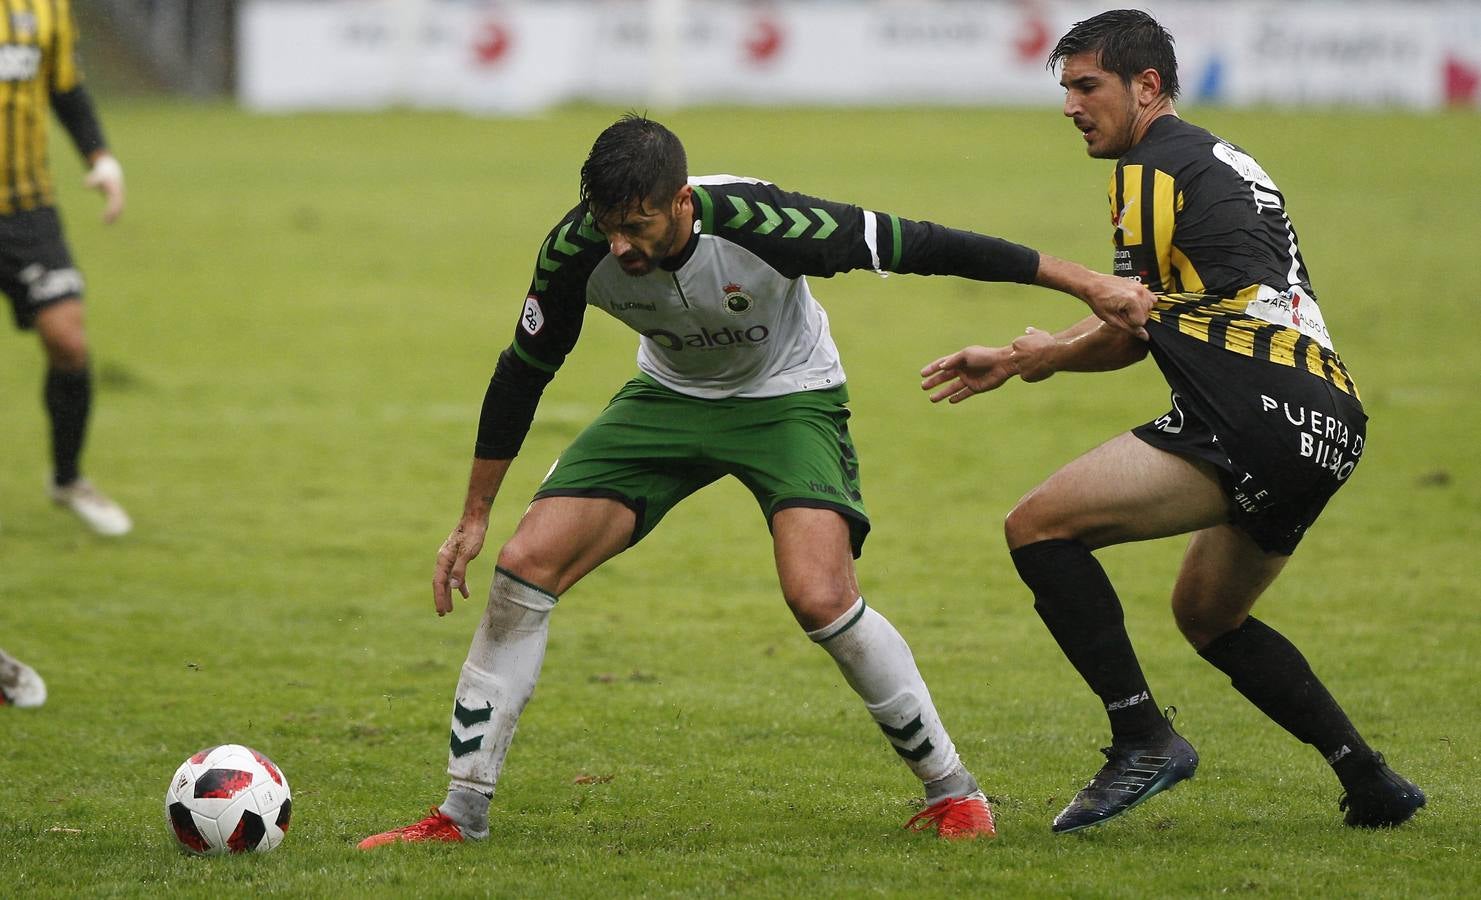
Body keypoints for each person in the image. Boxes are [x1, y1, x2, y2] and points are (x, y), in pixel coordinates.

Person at [359, 114, 1154, 848]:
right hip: (667, 398)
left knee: (818, 595)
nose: (621, 247)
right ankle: (461, 814)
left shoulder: (769, 223)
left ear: (678, 201)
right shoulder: (575, 252)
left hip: (788, 399)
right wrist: (473, 515)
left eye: (636, 227)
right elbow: (523, 371)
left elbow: (930, 244)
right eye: (608, 227)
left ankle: (955, 796)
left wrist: (1088, 284)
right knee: (521, 570)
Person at [921, 9, 1424, 834]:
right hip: (1329, 418)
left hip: (1253, 410)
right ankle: (1369, 781)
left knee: (1037, 527)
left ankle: (1141, 739)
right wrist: (1033, 356)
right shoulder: (1229, 159)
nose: (1070, 106)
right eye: (1065, 89)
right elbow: (1175, 309)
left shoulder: (1148, 170)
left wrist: (1026, 357)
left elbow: (1127, 323)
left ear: (1145, 86)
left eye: (1087, 87)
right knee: (1208, 616)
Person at [0, 0, 131, 536]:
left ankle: (68, 478)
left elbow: (66, 89)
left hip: (28, 207)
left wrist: (100, 158)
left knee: (68, 339)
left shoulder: (47, 7)